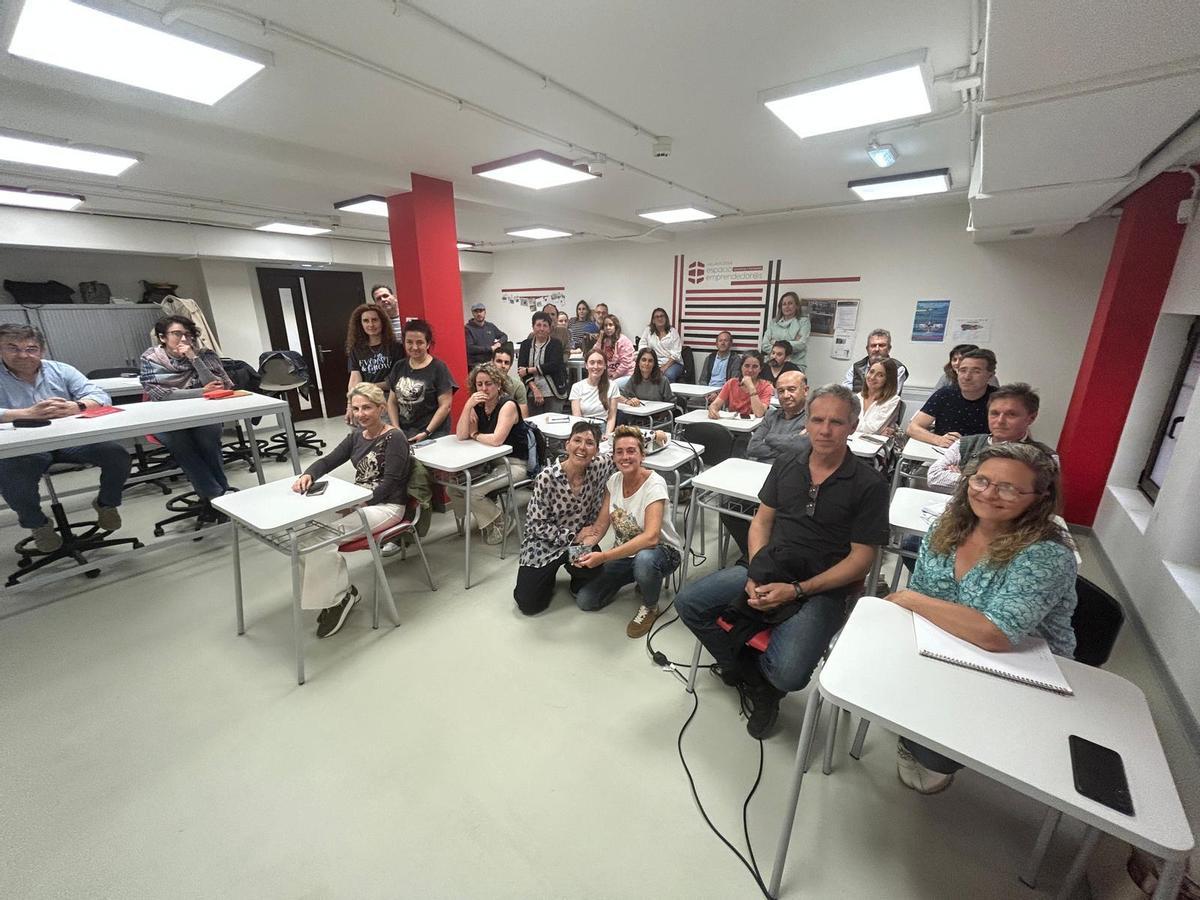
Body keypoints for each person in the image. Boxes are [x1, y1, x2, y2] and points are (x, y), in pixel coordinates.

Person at [676, 384, 889, 738]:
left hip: (823, 588)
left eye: (836, 422)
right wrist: (758, 571)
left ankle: (762, 681)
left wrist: (796, 590)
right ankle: (756, 680)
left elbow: (861, 560)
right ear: (806, 421)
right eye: (817, 419)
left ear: (852, 426)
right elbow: (762, 521)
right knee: (689, 603)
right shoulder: (789, 462)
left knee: (790, 673)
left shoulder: (870, 485)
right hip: (769, 567)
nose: (824, 430)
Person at [885, 443, 1077, 793]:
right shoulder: (948, 527)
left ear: (1040, 496)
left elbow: (996, 633)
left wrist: (911, 599)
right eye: (981, 481)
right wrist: (917, 604)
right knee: (881, 686)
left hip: (1018, 666)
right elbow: (926, 595)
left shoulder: (1047, 554)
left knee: (935, 755)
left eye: (1009, 488)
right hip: (946, 645)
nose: (989, 494)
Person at [292, 384, 411, 639]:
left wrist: (359, 503)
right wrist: (308, 474)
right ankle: (339, 594)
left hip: (387, 506)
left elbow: (390, 483)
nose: (361, 414)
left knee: (320, 541)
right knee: (305, 541)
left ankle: (339, 600)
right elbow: (328, 460)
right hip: (361, 503)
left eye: (367, 407)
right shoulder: (358, 435)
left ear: (381, 408)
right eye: (356, 408)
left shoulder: (395, 437)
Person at [0, 323, 130, 551]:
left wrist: (77, 406)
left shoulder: (60, 370)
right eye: (13, 348)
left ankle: (106, 503)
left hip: (70, 440)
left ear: (41, 351)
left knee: (116, 454)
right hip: (24, 445)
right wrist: (26, 414)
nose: (23, 355)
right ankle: (37, 523)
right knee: (11, 477)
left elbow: (100, 395)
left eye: (31, 349)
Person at [572, 425, 683, 637]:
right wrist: (584, 544)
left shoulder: (655, 484)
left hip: (662, 552)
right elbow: (601, 525)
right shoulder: (613, 481)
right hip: (627, 553)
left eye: (631, 451)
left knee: (644, 561)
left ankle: (651, 605)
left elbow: (651, 538)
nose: (625, 457)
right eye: (619, 452)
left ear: (643, 454)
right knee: (586, 600)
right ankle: (642, 578)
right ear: (613, 456)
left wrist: (604, 556)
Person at [139, 315, 234, 522]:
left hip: (203, 414)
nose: (183, 338)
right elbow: (159, 394)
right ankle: (218, 494)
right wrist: (200, 392)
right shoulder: (151, 358)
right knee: (182, 446)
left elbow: (218, 387)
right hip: (166, 417)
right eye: (176, 333)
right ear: (163, 337)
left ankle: (215, 497)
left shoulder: (204, 354)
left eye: (187, 334)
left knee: (209, 442)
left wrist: (194, 358)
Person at [513, 421, 613, 615]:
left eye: (589, 443)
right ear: (567, 444)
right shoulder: (547, 478)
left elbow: (625, 447)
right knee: (529, 605)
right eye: (577, 440)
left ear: (597, 450)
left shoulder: (598, 467)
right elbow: (535, 525)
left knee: (594, 572)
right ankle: (547, 574)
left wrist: (656, 435)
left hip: (579, 543)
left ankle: (576, 579)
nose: (582, 447)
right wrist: (572, 536)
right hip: (543, 545)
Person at [720, 370, 810, 560]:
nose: (786, 395)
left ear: (806, 390)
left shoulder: (813, 418)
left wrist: (770, 439)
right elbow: (753, 447)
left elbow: (803, 447)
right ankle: (755, 554)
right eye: (781, 391)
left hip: (790, 481)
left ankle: (765, 555)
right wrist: (788, 442)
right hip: (759, 477)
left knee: (778, 518)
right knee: (728, 509)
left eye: (792, 389)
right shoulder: (772, 416)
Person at [452, 362, 529, 545]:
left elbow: (496, 440)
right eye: (479, 384)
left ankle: (501, 521)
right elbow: (462, 435)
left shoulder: (508, 404)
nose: (484, 388)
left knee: (474, 491)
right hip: (490, 464)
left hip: (514, 465)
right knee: (453, 487)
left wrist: (476, 434)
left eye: (489, 383)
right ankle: (488, 518)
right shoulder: (478, 405)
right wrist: (467, 407)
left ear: (498, 384)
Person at [927, 383, 1055, 491]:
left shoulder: (1045, 457)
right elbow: (934, 477)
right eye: (994, 413)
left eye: (1011, 414)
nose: (1000, 421)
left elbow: (1042, 499)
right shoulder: (966, 443)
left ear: (1031, 417)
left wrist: (967, 478)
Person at [906, 348, 997, 447]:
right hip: (943, 452)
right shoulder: (945, 394)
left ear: (990, 375)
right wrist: (938, 439)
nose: (967, 377)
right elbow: (912, 428)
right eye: (962, 370)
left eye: (976, 372)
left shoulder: (999, 399)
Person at [387, 318, 458, 441]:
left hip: (433, 433)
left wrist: (426, 432)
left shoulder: (439, 368)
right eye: (409, 342)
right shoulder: (399, 366)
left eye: (419, 342)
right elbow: (392, 402)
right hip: (404, 432)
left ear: (428, 343)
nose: (414, 347)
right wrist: (395, 428)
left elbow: (445, 406)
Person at [345, 303, 404, 423]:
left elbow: (395, 381)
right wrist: (350, 405)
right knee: (356, 426)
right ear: (360, 324)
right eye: (366, 321)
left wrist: (368, 387)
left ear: (382, 322)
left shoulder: (395, 347)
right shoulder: (356, 349)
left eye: (375, 320)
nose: (370, 324)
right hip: (364, 396)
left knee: (383, 430)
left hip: (388, 397)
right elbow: (354, 379)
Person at [518, 311, 568, 415]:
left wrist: (529, 370)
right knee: (534, 425)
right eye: (538, 325)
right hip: (531, 392)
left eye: (545, 326)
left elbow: (554, 365)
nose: (541, 328)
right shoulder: (525, 345)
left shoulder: (556, 344)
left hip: (554, 392)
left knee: (553, 424)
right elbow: (521, 370)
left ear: (549, 328)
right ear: (533, 327)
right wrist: (535, 390)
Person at [708, 351, 773, 419]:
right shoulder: (731, 383)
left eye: (755, 367)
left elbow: (759, 413)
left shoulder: (766, 387)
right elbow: (715, 405)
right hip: (734, 424)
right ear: (741, 367)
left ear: (760, 369)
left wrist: (751, 387)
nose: (750, 370)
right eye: (746, 366)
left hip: (754, 427)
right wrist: (712, 410)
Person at [569, 348, 619, 436]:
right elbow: (577, 416)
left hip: (602, 428)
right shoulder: (577, 387)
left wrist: (607, 435)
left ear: (605, 366)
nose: (595, 366)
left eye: (600, 363)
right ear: (586, 365)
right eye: (592, 362)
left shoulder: (612, 386)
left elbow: (612, 417)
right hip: (583, 428)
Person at [843, 329, 908, 394]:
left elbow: (891, 398)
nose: (877, 349)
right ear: (867, 349)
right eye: (873, 345)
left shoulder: (898, 369)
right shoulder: (856, 367)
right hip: (855, 403)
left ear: (889, 349)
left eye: (882, 345)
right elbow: (845, 395)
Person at [760, 292, 810, 371]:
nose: (787, 307)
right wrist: (792, 343)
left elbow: (801, 344)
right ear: (781, 307)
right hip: (773, 364)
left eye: (790, 303)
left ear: (796, 306)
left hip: (795, 364)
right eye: (784, 304)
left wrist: (775, 342)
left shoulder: (803, 322)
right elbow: (764, 345)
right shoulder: (773, 322)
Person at [854, 358, 901, 436]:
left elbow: (873, 429)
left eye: (880, 375)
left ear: (888, 380)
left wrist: (849, 425)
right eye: (871, 372)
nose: (872, 377)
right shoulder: (857, 397)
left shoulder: (893, 400)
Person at [640, 307, 685, 382]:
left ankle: (668, 394)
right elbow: (642, 345)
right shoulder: (648, 331)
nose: (659, 318)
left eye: (662, 316)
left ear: (666, 318)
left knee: (668, 375)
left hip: (673, 363)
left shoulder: (673, 332)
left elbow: (676, 354)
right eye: (657, 317)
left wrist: (665, 367)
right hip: (653, 362)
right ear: (653, 320)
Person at [933, 343, 1000, 392]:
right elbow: (933, 398)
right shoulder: (947, 377)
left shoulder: (988, 377)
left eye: (961, 359)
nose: (957, 363)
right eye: (954, 359)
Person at [699, 331, 742, 399]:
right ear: (716, 344)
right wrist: (707, 393)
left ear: (730, 344)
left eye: (726, 341)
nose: (722, 343)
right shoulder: (709, 358)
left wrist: (718, 394)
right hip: (707, 392)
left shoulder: (735, 359)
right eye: (720, 341)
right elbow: (702, 380)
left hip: (725, 394)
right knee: (690, 402)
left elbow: (733, 382)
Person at [464, 302, 508, 367]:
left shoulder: (490, 326)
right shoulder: (467, 328)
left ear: (485, 312)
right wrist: (490, 348)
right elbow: (470, 348)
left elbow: (504, 336)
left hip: (491, 364)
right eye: (476, 311)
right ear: (472, 313)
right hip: (475, 366)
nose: (479, 314)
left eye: (481, 311)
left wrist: (498, 343)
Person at [491, 345, 529, 418]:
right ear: (492, 362)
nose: (503, 365)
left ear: (510, 365)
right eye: (499, 361)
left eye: (506, 363)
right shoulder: (483, 384)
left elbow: (524, 417)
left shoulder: (517, 385)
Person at [598, 315, 635, 380]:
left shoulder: (623, 340)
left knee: (611, 387)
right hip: (610, 376)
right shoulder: (604, 341)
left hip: (626, 375)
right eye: (605, 325)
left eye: (610, 325)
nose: (608, 327)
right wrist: (600, 338)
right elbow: (594, 354)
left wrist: (614, 376)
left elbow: (626, 363)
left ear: (616, 327)